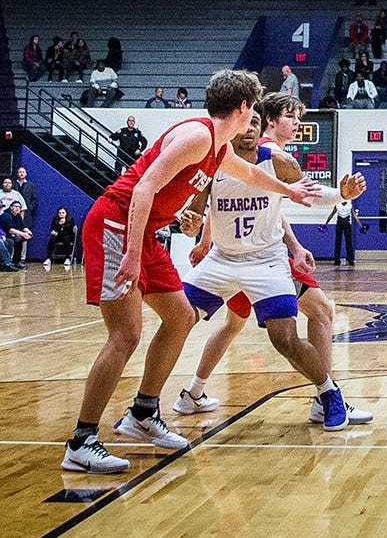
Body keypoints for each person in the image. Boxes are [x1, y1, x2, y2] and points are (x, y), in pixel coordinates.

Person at [63, 69, 314, 475]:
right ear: (244, 108)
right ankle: (81, 440)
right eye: (253, 110)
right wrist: (130, 253)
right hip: (115, 225)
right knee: (125, 334)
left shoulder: (217, 147)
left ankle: (143, 412)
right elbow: (143, 187)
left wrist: (292, 191)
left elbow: (250, 173)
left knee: (181, 317)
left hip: (143, 233)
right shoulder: (197, 135)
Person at [174, 93, 371, 430]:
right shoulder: (211, 162)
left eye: (255, 122)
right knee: (175, 320)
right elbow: (194, 209)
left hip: (265, 262)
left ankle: (328, 393)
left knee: (284, 338)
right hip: (222, 260)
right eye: (245, 121)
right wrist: (189, 224)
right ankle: (148, 404)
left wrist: (341, 195)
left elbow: (309, 192)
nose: (250, 127)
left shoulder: (278, 161)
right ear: (232, 126)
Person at [330, 190, 357, 266]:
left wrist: (360, 224)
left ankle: (350, 259)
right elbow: (332, 214)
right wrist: (325, 223)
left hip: (347, 224)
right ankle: (337, 260)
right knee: (338, 242)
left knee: (349, 243)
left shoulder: (350, 205)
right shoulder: (337, 204)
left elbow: (354, 215)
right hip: (339, 224)